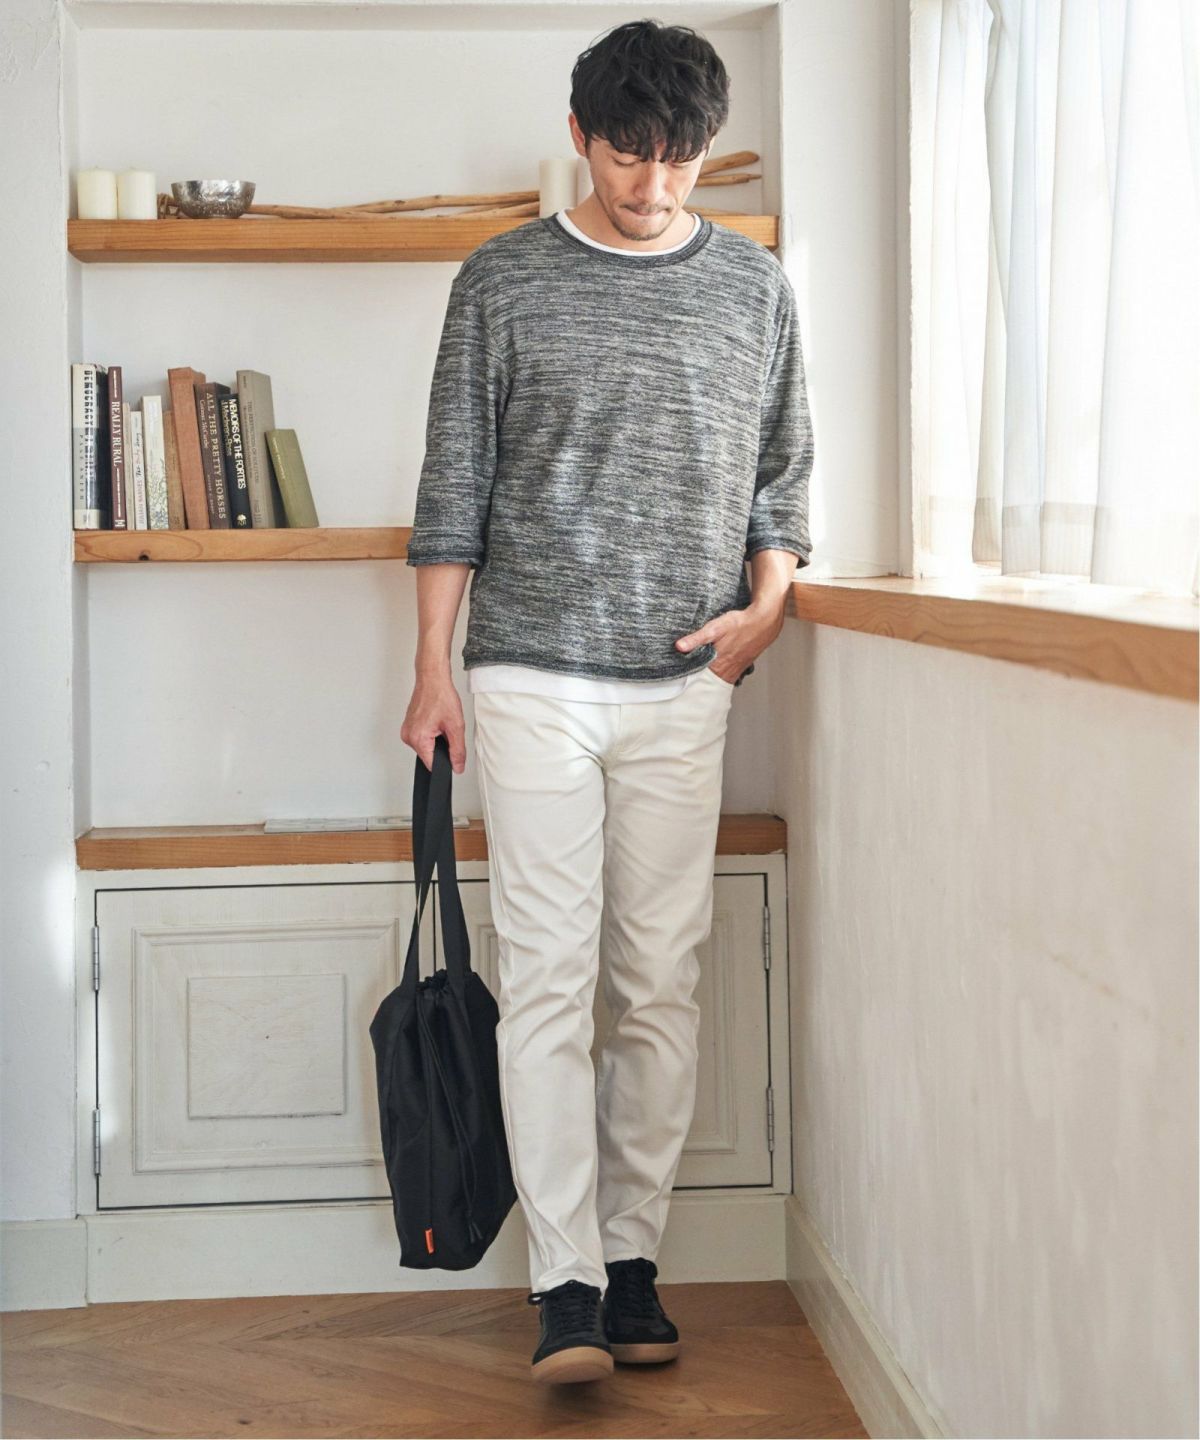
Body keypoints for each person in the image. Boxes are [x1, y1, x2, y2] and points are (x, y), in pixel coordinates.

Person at [400, 17, 814, 1386]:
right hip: (529, 675)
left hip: (686, 679)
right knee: (548, 981)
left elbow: (784, 475)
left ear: (707, 149)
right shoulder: (503, 279)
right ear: (580, 137)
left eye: (680, 157)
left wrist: (766, 606)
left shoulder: (753, 287)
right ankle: (564, 1284)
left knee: (658, 982)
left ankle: (633, 1262)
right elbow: (453, 485)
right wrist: (433, 669)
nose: (654, 183)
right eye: (630, 153)